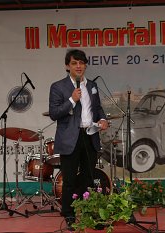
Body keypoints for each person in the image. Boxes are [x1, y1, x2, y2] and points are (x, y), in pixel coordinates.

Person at [49, 49, 108, 228]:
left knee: (89, 178)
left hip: (90, 135)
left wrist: (103, 119)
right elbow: (54, 113)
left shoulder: (92, 85)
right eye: (74, 63)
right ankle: (69, 215)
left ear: (85, 65)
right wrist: (72, 100)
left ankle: (90, 214)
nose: (78, 66)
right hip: (70, 139)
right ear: (68, 66)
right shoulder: (58, 87)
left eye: (81, 63)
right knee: (69, 180)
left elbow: (97, 109)